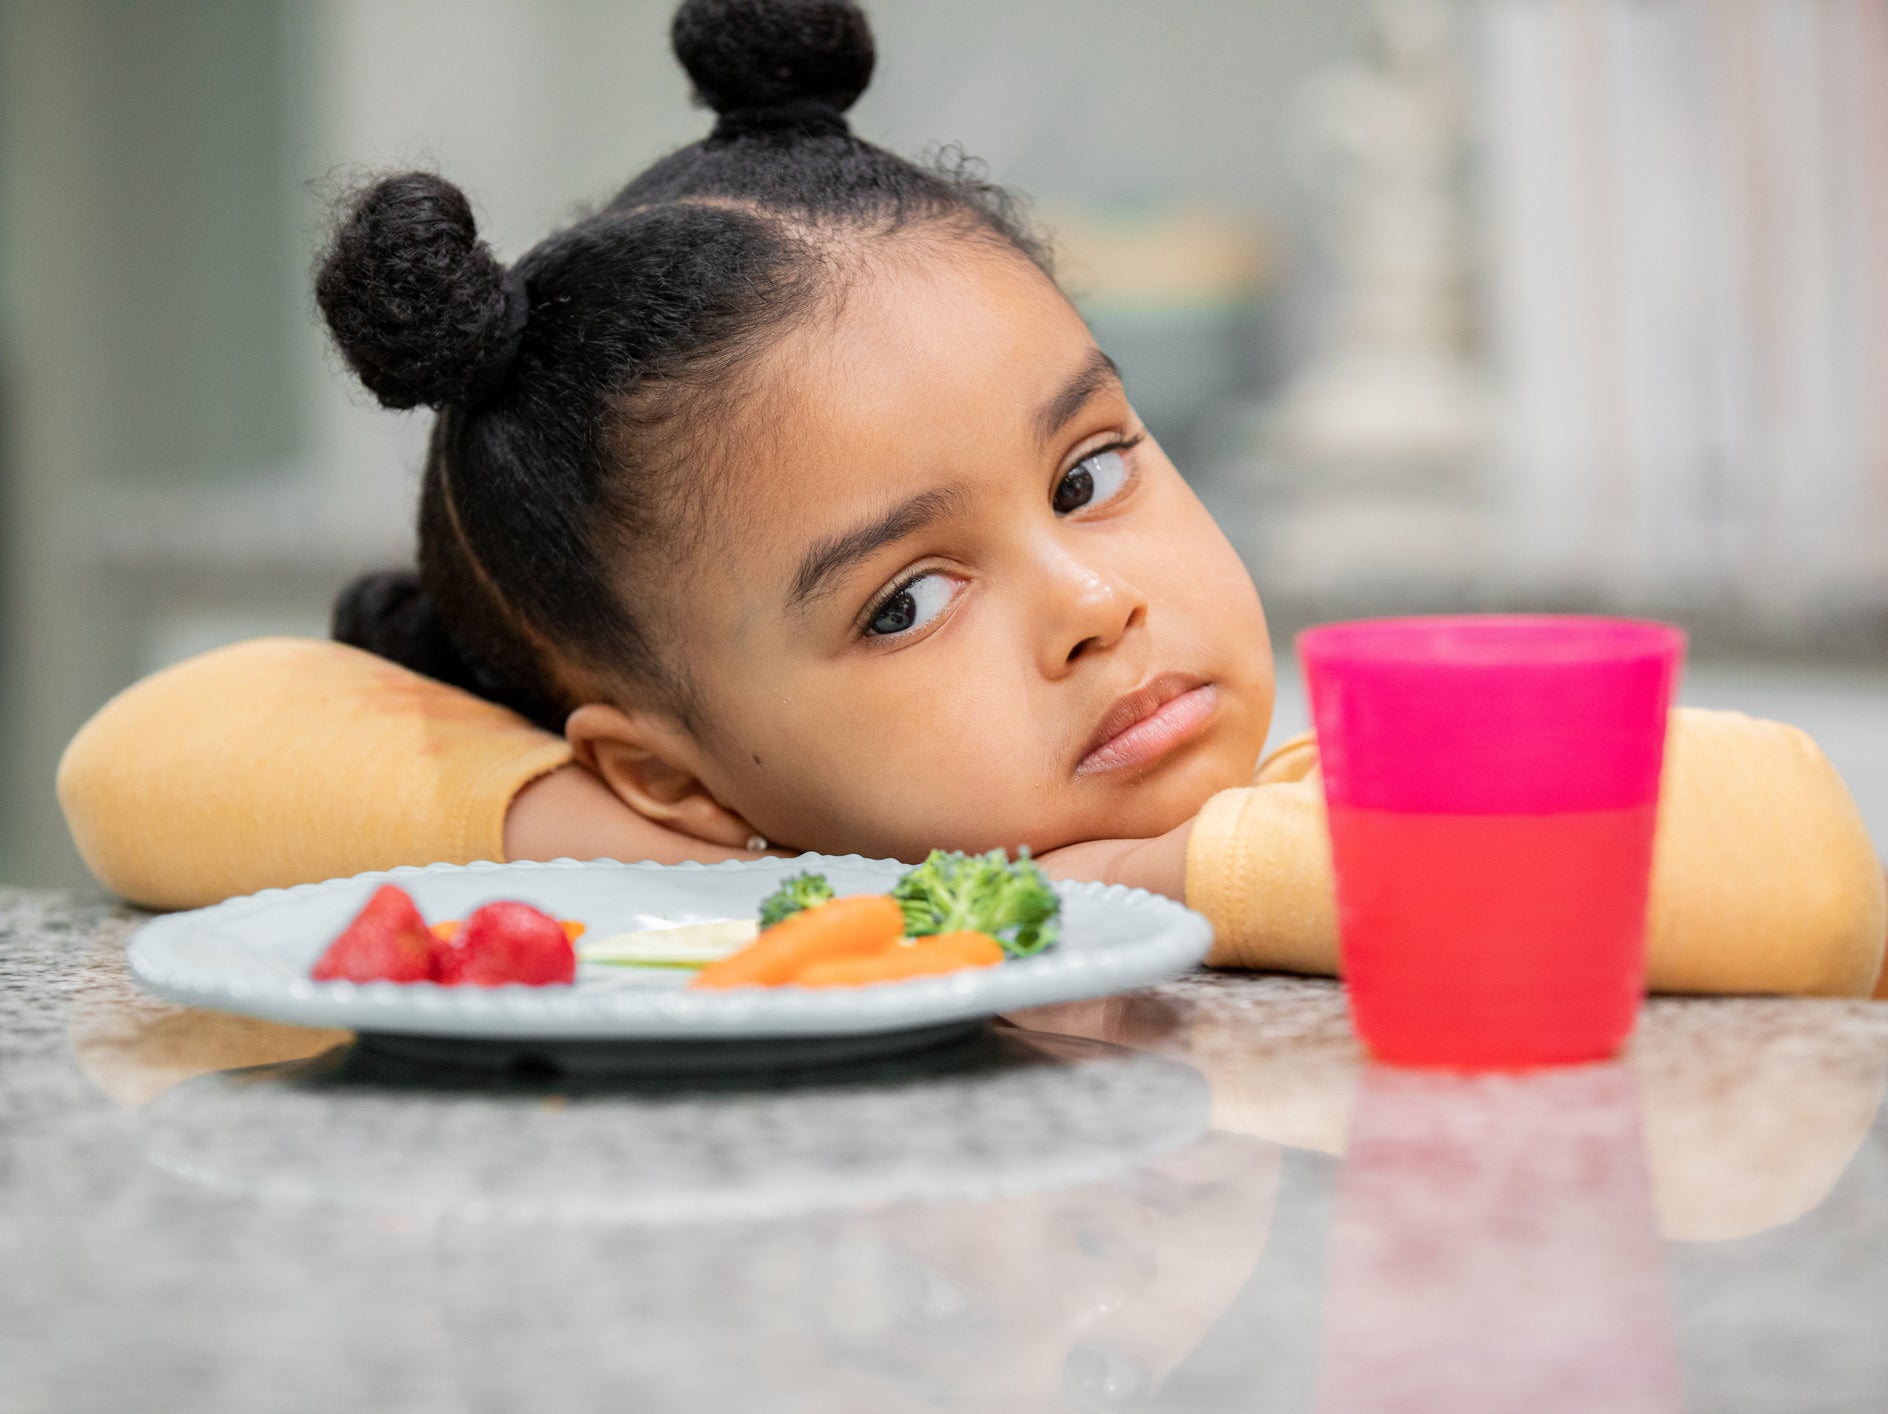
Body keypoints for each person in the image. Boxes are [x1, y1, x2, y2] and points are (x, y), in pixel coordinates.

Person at [57, 0, 1887, 996]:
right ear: (674, 768)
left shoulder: (1297, 802)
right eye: (905, 599)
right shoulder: (765, 874)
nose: (1093, 597)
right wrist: (701, 864)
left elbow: (1800, 865)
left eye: (1090, 471)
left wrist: (1162, 877)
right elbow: (140, 759)